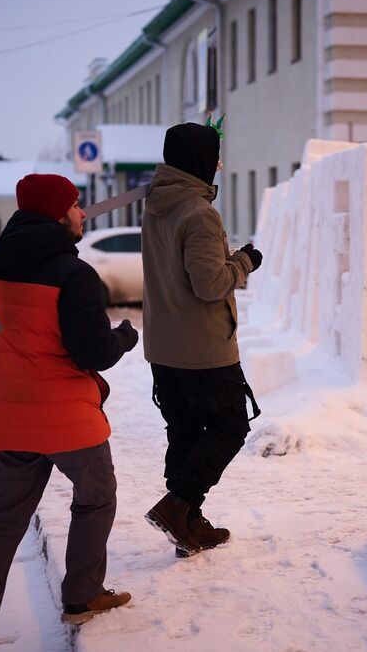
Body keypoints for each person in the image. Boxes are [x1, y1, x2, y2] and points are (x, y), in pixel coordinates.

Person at [0, 174, 139, 652]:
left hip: (8, 418)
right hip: (68, 417)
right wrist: (125, 337)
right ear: (57, 213)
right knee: (96, 496)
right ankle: (82, 594)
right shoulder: (75, 276)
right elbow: (91, 351)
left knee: (2, 522)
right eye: (75, 205)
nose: (82, 212)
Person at [141, 122, 263, 558]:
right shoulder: (199, 213)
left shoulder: (155, 204)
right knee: (230, 427)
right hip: (204, 349)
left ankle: (187, 524)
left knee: (186, 432)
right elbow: (210, 284)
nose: (217, 166)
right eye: (215, 158)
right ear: (200, 161)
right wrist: (244, 261)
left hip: (163, 345)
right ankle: (179, 507)